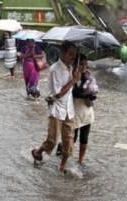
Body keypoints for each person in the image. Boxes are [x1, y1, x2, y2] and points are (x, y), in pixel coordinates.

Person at [31, 41, 80, 172]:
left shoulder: (71, 68)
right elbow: (58, 94)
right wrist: (73, 81)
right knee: (52, 141)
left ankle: (62, 166)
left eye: (74, 55)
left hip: (69, 110)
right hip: (57, 109)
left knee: (69, 141)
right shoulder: (55, 69)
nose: (72, 57)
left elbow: (71, 89)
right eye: (70, 54)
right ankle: (38, 151)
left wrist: (77, 75)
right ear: (63, 53)